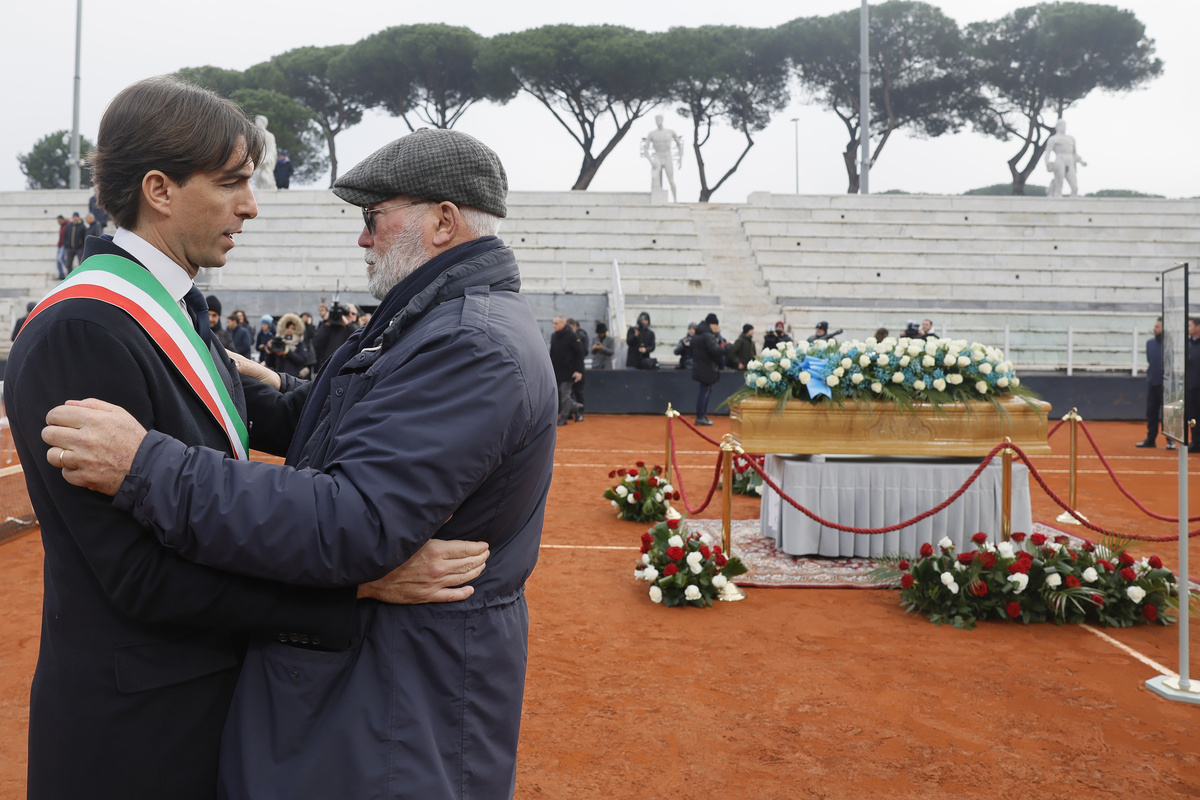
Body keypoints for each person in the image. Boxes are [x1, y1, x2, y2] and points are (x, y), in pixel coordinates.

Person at [43, 126, 557, 798]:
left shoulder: (470, 342)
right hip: (383, 692)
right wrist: (261, 393)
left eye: (373, 217)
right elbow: (368, 425)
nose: (364, 238)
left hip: (391, 714)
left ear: (442, 221)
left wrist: (145, 466)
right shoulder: (444, 316)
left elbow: (352, 521)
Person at [1137, 318, 1173, 450]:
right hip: (1153, 382)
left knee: (1167, 413)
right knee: (1151, 412)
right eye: (1155, 326)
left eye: (1157, 327)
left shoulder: (1169, 343)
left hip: (1166, 384)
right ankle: (1150, 439)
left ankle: (1171, 440)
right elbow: (1150, 360)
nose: (1155, 329)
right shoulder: (1150, 343)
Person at [691, 313, 729, 426]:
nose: (716, 328)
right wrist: (728, 347)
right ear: (711, 324)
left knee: (704, 391)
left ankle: (702, 415)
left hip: (700, 366)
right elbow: (716, 351)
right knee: (704, 392)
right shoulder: (707, 335)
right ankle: (700, 416)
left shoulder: (698, 334)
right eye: (715, 325)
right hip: (706, 368)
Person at [641, 114, 684, 201]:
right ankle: (656, 198)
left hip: (667, 156)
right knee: (654, 177)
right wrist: (651, 161)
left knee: (671, 180)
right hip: (658, 156)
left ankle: (675, 200)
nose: (658, 121)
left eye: (659, 119)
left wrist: (680, 159)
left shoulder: (670, 132)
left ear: (662, 120)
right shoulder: (652, 134)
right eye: (656, 120)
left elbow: (679, 145)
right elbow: (645, 149)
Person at [551, 315, 585, 425]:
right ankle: (577, 406)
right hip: (557, 371)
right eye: (553, 323)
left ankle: (563, 418)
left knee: (565, 395)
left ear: (563, 324)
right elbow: (552, 354)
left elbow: (580, 353)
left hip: (568, 371)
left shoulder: (572, 336)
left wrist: (578, 371)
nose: (554, 325)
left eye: (556, 323)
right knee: (559, 395)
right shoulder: (554, 336)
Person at [1044, 119, 1086, 198]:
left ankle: (1074, 199)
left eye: (1064, 125)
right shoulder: (1053, 139)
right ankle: (1055, 196)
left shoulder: (1071, 138)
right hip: (1060, 159)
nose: (1063, 127)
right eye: (1061, 125)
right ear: (1057, 127)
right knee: (1059, 183)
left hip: (1070, 160)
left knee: (1074, 186)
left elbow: (1074, 153)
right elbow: (1047, 153)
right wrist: (1047, 163)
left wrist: (1081, 161)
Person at [264, 312, 310, 378]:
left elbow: (302, 360)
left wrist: (287, 352)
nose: (290, 330)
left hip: (294, 377)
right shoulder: (278, 341)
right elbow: (269, 363)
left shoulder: (299, 343)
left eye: (293, 328)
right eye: (288, 328)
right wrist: (269, 351)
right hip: (279, 377)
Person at [252, 114, 277, 191]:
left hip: (266, 163)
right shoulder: (254, 136)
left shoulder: (269, 136)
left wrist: (265, 160)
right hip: (257, 162)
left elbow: (272, 150)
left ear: (264, 123)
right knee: (257, 179)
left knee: (265, 178)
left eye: (259, 121)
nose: (257, 123)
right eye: (256, 121)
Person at [569, 318, 587, 420]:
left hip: (578, 368)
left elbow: (583, 352)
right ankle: (570, 412)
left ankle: (580, 413)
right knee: (569, 392)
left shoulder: (581, 336)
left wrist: (579, 370)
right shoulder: (568, 336)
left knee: (578, 391)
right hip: (570, 369)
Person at [1188, 317, 1200, 454]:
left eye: (1190, 326)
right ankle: (1195, 441)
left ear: (1198, 327)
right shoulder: (1187, 345)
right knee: (1193, 416)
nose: (1188, 328)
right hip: (1191, 387)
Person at [54, 214, 68, 279]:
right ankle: (61, 274)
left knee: (61, 258)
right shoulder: (62, 226)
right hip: (60, 245)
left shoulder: (67, 225)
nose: (58, 222)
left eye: (59, 220)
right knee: (58, 260)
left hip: (64, 244)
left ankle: (69, 270)